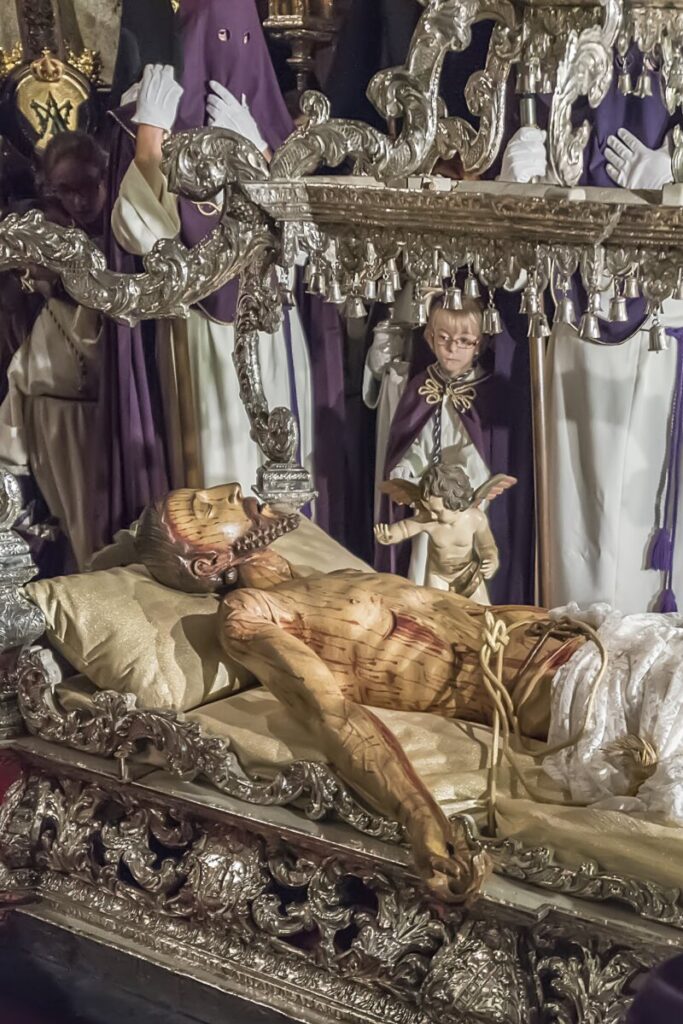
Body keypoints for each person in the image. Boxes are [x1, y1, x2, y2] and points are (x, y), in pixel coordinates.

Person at [135, 480, 683, 905]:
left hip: (605, 635)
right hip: (578, 685)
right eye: (208, 510)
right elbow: (332, 715)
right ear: (208, 564)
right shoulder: (248, 617)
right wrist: (420, 815)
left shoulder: (292, 572)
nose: (231, 491)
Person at [106, 0, 348, 548]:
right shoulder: (158, 118)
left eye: (240, 40)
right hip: (202, 331)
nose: (227, 55)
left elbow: (307, 234)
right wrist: (150, 144)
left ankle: (287, 557)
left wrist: (262, 152)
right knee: (218, 459)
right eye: (212, 38)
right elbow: (142, 235)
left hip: (274, 327)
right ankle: (220, 564)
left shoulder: (278, 130)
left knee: (280, 462)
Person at [0, 132, 108, 571]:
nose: (79, 201)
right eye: (67, 190)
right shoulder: (42, 228)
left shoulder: (117, 236)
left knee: (97, 533)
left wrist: (58, 281)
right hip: (43, 406)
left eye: (87, 186)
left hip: (95, 412)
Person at [375, 464, 515, 602]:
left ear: (454, 505)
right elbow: (405, 528)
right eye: (427, 509)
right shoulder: (428, 519)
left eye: (437, 511)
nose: (432, 515)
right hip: (438, 576)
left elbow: (487, 546)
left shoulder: (475, 519)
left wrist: (491, 560)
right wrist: (390, 535)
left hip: (468, 575)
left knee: (483, 611)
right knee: (437, 612)